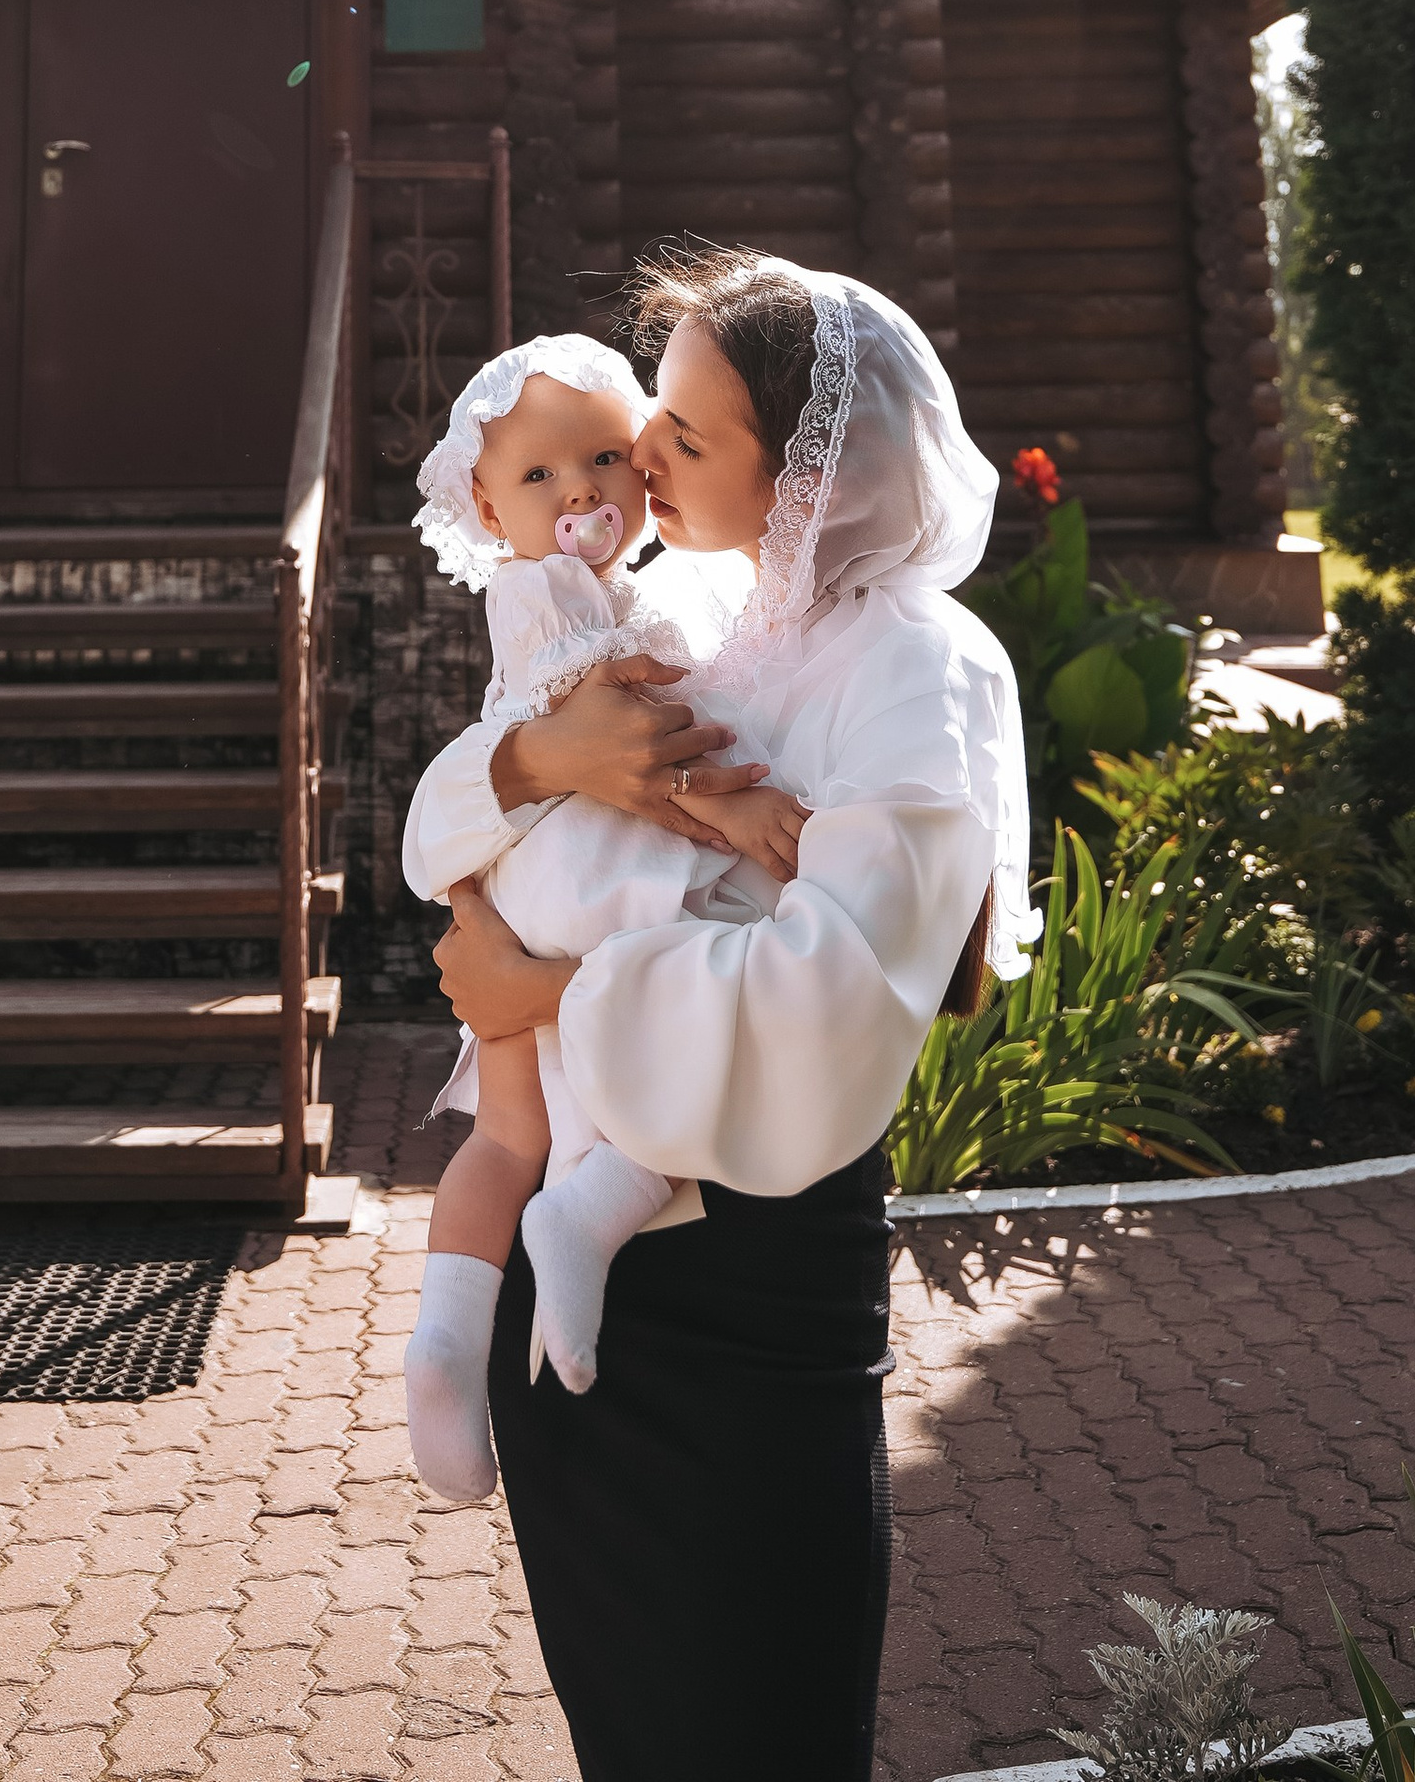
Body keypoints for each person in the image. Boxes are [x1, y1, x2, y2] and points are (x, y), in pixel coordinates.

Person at [413, 250, 1032, 1782]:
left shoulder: (918, 672)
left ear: (812, 466)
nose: (639, 463)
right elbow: (443, 821)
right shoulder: (683, 608)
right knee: (627, 1726)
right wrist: (537, 769)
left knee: (756, 1726)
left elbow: (832, 999)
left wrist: (536, 991)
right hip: (581, 1275)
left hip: (745, 1288)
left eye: (684, 438)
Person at [397, 336, 809, 1504]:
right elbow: (631, 747)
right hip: (585, 878)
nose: (577, 490)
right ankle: (585, 1219)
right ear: (485, 506)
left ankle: (443, 1339)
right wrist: (739, 808)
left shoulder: (593, 589)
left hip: (524, 891)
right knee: (664, 1053)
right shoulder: (556, 601)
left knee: (506, 1136)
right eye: (537, 478)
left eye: (598, 459)